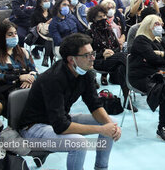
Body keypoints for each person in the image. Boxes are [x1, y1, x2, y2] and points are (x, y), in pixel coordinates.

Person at [19, 33, 120, 170]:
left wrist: (109, 126)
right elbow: (61, 126)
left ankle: (101, 168)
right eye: (87, 55)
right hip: (34, 129)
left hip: (58, 119)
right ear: (71, 60)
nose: (92, 58)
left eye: (93, 53)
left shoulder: (86, 73)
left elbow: (94, 105)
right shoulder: (53, 79)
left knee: (111, 123)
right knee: (79, 143)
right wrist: (101, 129)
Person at [129, 15, 165, 142]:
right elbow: (153, 59)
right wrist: (163, 57)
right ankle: (162, 127)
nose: (160, 26)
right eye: (156, 24)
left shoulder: (158, 40)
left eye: (160, 23)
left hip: (159, 73)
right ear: (148, 25)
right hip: (140, 76)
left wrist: (161, 54)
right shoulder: (140, 40)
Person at [0, 20, 37, 110]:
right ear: (1, 37)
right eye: (10, 35)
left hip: (26, 87)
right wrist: (18, 77)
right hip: (4, 91)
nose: (14, 36)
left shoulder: (23, 52)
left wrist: (30, 78)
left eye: (15, 33)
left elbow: (34, 70)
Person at [87, 5, 133, 110]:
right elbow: (87, 54)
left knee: (122, 66)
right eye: (100, 17)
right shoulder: (89, 33)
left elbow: (117, 47)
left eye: (104, 16)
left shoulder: (110, 30)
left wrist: (112, 52)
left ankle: (126, 98)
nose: (103, 18)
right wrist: (102, 54)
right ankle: (135, 83)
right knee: (124, 58)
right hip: (97, 60)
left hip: (113, 58)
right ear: (93, 19)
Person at [30, 0, 53, 66]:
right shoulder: (35, 14)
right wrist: (49, 21)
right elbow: (36, 27)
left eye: (48, 1)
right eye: (45, 1)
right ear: (40, 3)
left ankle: (46, 58)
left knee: (51, 37)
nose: (47, 2)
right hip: (38, 35)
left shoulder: (51, 12)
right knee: (50, 39)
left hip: (50, 33)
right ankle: (46, 58)